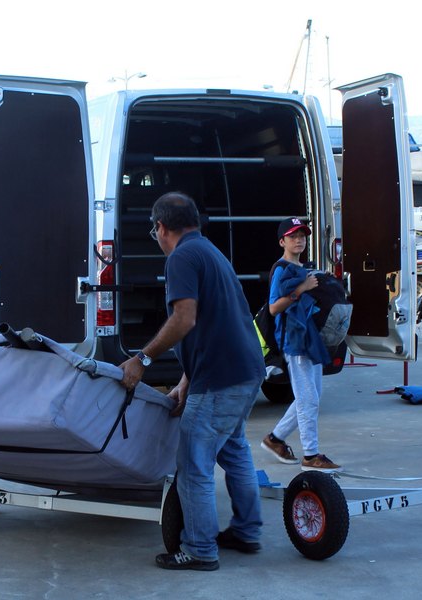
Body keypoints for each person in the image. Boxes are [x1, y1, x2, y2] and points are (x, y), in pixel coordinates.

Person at [120, 192, 264, 572]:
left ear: (161, 228)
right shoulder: (210, 252)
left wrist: (142, 359)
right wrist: (187, 378)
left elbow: (185, 319)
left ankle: (200, 549)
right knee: (234, 451)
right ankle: (247, 531)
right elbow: (217, 321)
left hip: (220, 378)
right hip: (245, 370)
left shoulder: (181, 257)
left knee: (194, 464)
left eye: (156, 231)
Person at [259, 218, 342, 472]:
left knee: (312, 397)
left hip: (309, 339)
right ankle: (311, 455)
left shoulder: (303, 268)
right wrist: (302, 289)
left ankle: (275, 439)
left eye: (303, 235)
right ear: (282, 241)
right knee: (308, 399)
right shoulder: (283, 269)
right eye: (293, 236)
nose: (299, 240)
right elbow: (274, 308)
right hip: (295, 341)